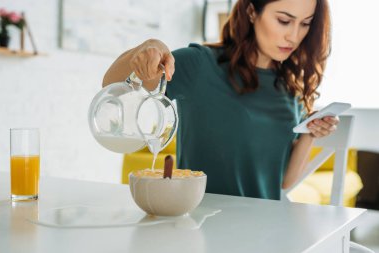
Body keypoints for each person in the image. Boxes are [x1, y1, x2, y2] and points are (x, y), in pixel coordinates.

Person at [102, 0, 339, 200]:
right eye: (284, 21)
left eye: (305, 24)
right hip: (201, 225)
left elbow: (283, 181)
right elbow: (113, 86)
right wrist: (145, 49)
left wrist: (310, 133)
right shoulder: (201, 66)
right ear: (252, 12)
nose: (294, 35)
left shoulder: (290, 87)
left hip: (267, 228)